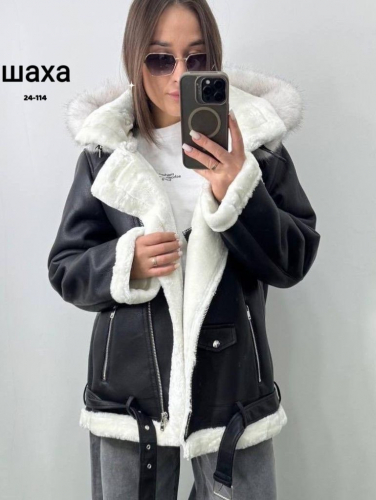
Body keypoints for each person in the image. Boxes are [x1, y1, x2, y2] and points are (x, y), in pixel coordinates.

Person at [47, 0, 321, 498]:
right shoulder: (106, 153)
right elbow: (66, 268)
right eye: (160, 59)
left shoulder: (255, 145)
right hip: (129, 398)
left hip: (233, 395)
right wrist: (126, 262)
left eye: (196, 58)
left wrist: (238, 191)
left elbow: (293, 260)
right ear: (135, 59)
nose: (179, 74)